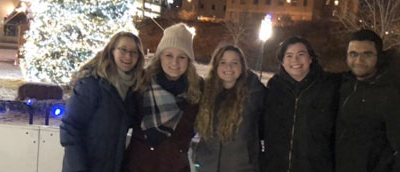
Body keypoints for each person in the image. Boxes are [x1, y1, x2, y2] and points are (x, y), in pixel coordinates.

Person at [335, 29, 400, 172]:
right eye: (353, 54)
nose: (359, 60)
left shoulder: (394, 95)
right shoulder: (345, 85)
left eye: (367, 54)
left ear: (379, 56)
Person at [60, 32, 145, 172]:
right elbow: (70, 127)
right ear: (111, 50)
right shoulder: (92, 85)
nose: (128, 56)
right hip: (85, 166)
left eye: (134, 52)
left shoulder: (131, 90)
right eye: (123, 49)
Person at [124, 23, 202, 172]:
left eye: (181, 57)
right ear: (160, 57)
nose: (175, 62)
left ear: (188, 60)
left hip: (175, 167)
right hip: (139, 165)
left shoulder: (197, 90)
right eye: (169, 55)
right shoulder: (141, 83)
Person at [262, 36, 339, 172]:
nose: (295, 60)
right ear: (282, 62)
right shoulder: (274, 89)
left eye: (301, 54)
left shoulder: (329, 87)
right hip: (276, 166)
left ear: (310, 58)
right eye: (289, 56)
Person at [193, 44, 265, 172]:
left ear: (242, 67)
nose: (229, 67)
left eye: (235, 63)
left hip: (242, 168)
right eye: (223, 62)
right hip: (207, 167)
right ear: (215, 66)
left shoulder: (254, 93)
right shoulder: (205, 92)